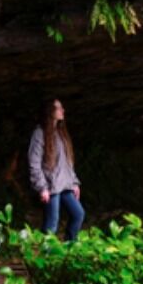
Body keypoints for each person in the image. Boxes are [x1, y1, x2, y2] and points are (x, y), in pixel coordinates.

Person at [28, 97, 85, 241]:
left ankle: (68, 248)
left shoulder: (61, 133)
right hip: (51, 187)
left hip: (65, 185)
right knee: (51, 224)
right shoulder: (40, 133)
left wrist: (74, 183)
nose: (62, 110)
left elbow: (67, 163)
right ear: (50, 111)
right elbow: (34, 162)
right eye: (59, 108)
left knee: (78, 214)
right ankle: (45, 257)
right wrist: (42, 187)